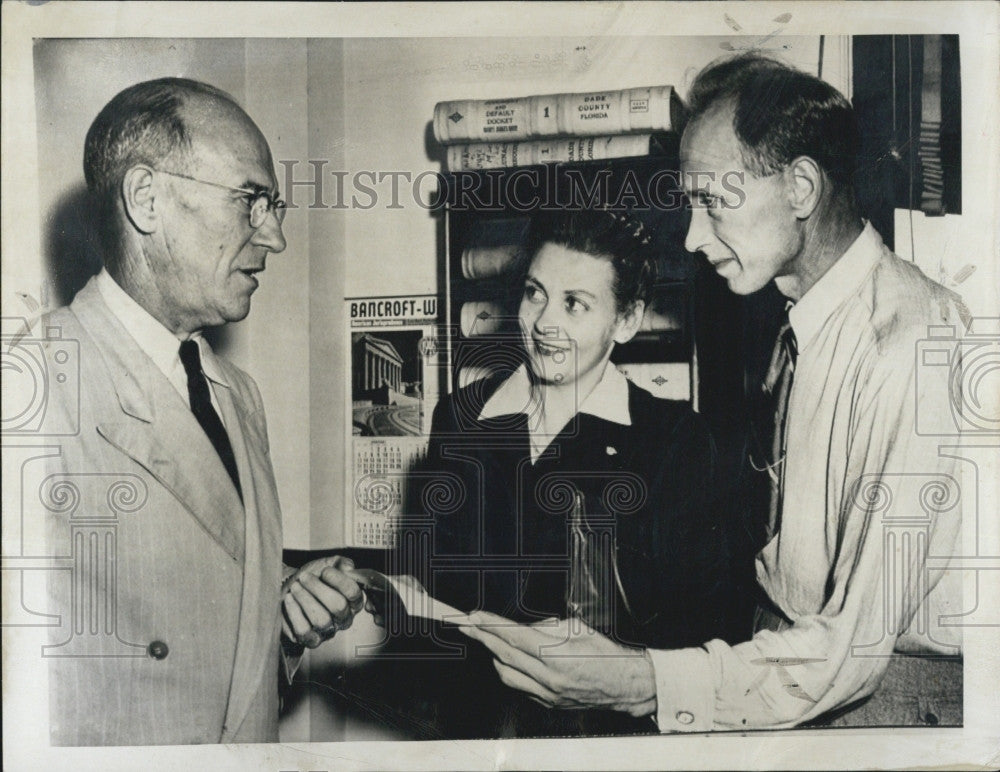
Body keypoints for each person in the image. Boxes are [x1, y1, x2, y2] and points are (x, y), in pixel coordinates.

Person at [460, 53, 968, 730]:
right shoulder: (800, 323)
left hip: (879, 698)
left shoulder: (906, 342)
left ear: (801, 189)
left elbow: (854, 649)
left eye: (711, 202)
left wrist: (642, 682)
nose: (694, 238)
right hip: (786, 663)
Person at [39, 77, 362, 745]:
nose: (273, 237)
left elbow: (219, 673)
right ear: (147, 199)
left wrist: (283, 624)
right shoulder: (32, 386)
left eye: (272, 207)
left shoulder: (237, 395)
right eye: (251, 202)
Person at [389, 207, 745, 738]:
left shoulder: (676, 441)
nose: (544, 322)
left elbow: (706, 631)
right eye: (535, 293)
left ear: (626, 321)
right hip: (484, 737)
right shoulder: (461, 418)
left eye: (574, 304)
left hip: (617, 746)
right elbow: (441, 589)